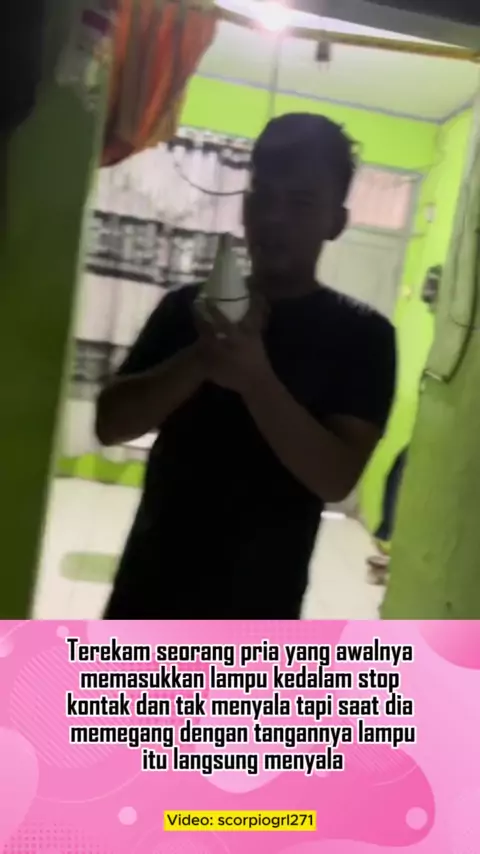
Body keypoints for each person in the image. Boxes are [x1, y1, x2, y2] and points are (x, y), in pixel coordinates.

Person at [96, 112, 397, 619]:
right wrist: (201, 356)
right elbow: (110, 424)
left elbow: (335, 479)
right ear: (245, 205)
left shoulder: (363, 336)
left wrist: (255, 377)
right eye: (263, 196)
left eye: (301, 202)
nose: (275, 217)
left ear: (336, 222)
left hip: (260, 605)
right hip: (150, 588)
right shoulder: (187, 308)